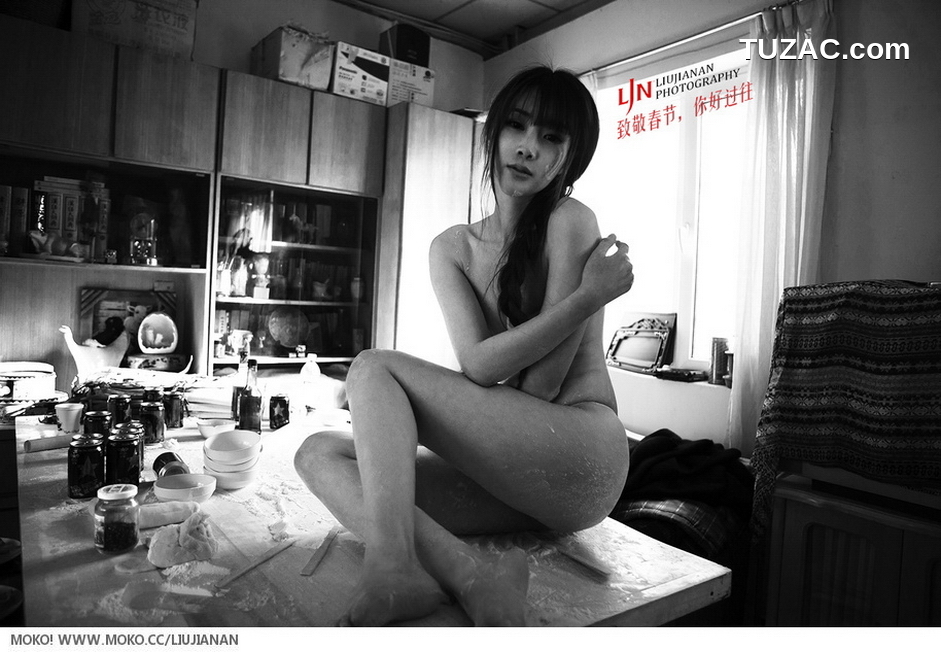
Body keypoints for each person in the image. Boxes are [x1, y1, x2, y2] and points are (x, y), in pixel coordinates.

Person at [294, 65, 635, 627]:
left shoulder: (572, 220)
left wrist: (587, 298)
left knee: (373, 368)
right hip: (521, 475)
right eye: (517, 126)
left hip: (581, 454)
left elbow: (540, 387)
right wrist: (586, 297)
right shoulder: (452, 248)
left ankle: (391, 568)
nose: (527, 147)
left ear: (569, 159)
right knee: (319, 455)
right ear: (493, 132)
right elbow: (478, 366)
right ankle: (473, 575)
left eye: (550, 137)